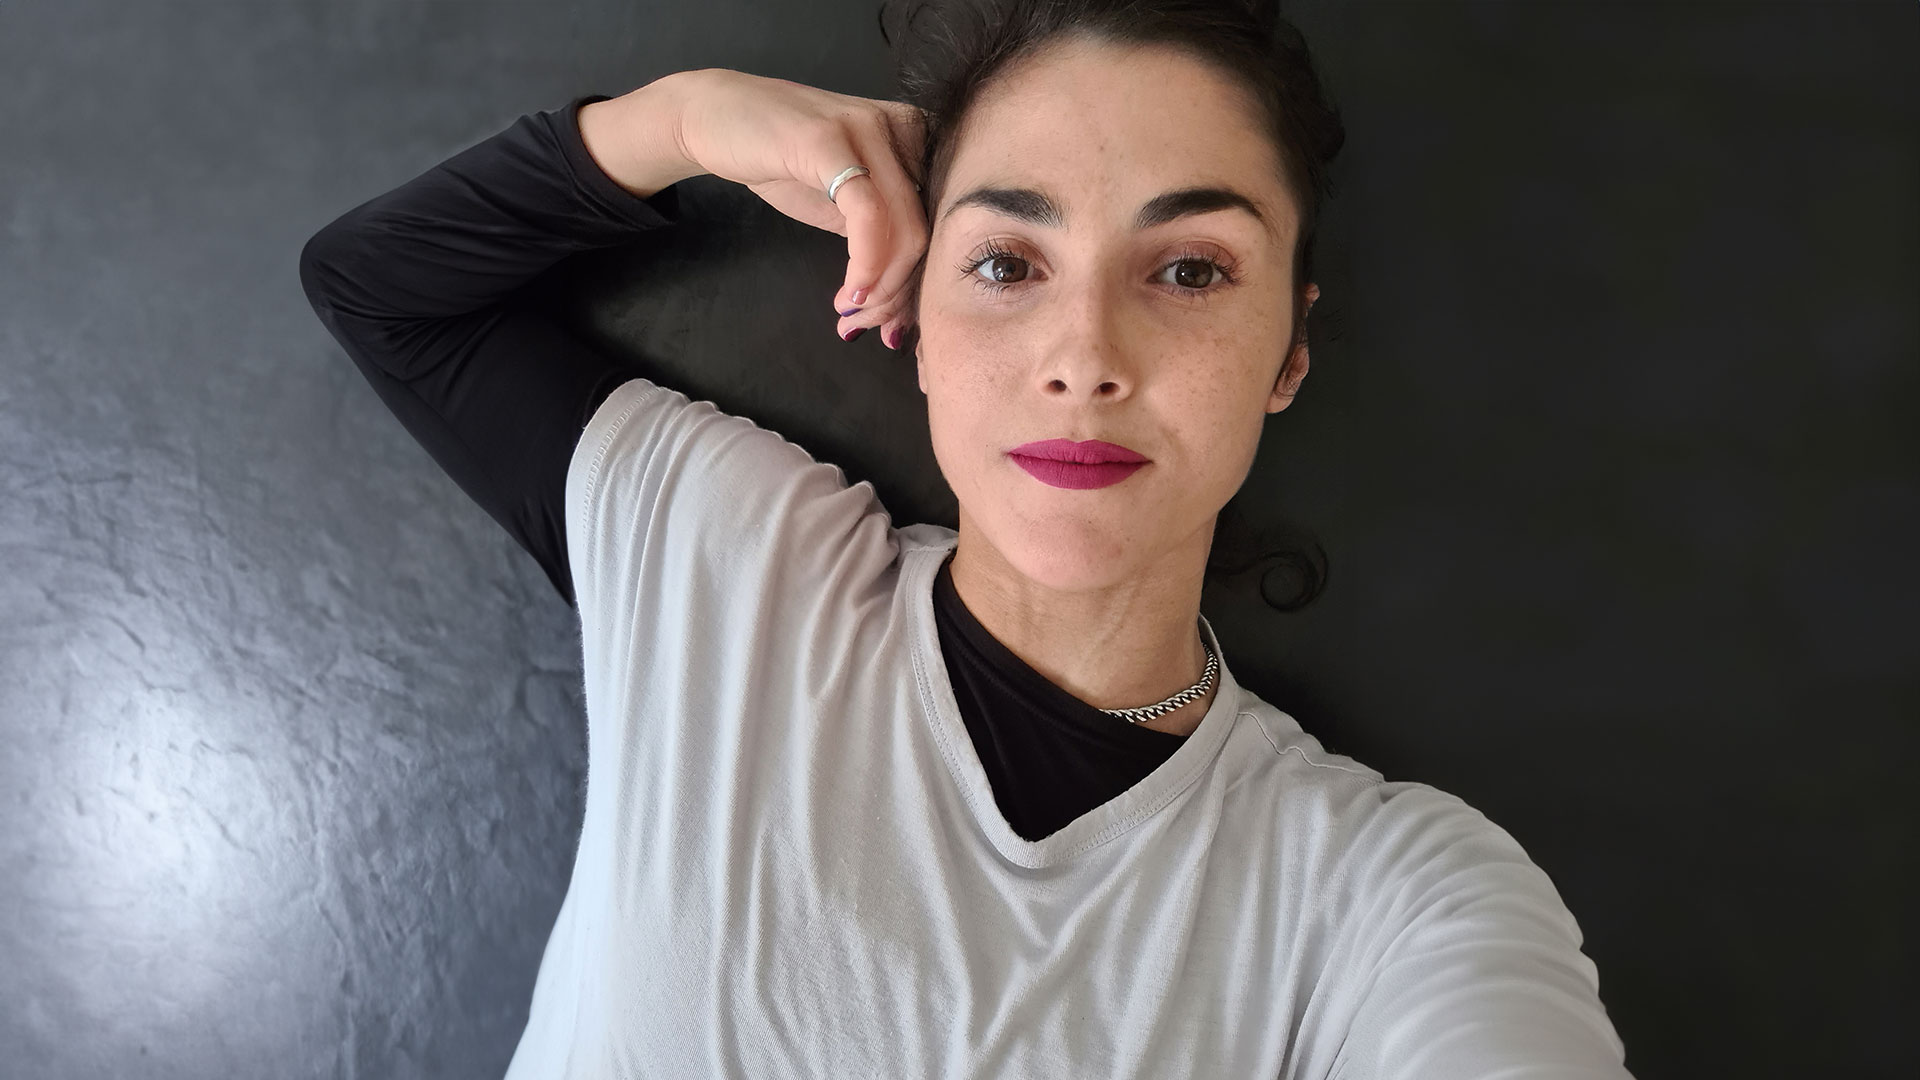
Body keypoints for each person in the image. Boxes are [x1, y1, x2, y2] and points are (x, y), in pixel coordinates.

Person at [298, 1, 1633, 1076]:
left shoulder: (1391, 900)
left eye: (1189, 270)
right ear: (918, 321)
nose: (1085, 358)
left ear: (1289, 353)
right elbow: (382, 289)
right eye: (1005, 263)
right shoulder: (731, 558)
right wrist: (690, 117)